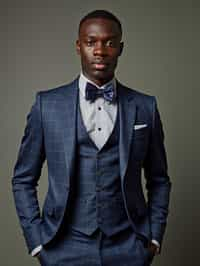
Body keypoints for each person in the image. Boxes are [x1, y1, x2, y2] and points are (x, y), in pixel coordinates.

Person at [12, 9, 172, 266]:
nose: (100, 51)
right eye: (91, 42)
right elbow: (23, 179)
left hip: (129, 247)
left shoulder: (145, 107)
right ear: (78, 46)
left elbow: (159, 179)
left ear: (121, 48)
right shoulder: (47, 105)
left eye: (109, 43)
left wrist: (153, 238)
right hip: (62, 247)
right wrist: (37, 242)